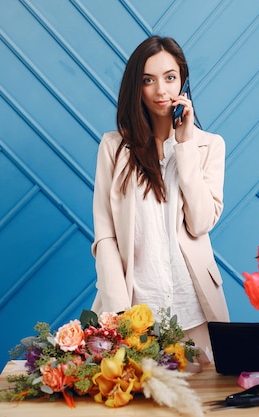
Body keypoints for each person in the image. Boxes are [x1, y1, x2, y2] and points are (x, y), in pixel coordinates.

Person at [90, 36, 230, 363]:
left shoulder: (210, 146)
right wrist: (120, 314)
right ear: (136, 88)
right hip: (134, 313)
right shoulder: (113, 148)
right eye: (148, 80)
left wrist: (184, 146)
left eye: (169, 78)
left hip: (195, 309)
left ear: (182, 80)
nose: (161, 91)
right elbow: (106, 235)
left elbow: (200, 222)